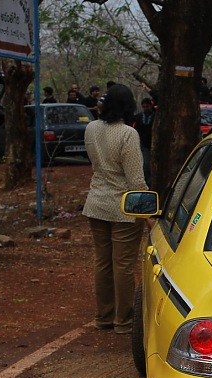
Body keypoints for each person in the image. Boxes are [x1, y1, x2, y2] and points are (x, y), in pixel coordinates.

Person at [82, 83, 149, 335]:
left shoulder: (91, 128)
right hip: (123, 208)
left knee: (103, 262)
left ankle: (104, 317)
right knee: (123, 265)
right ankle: (124, 321)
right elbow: (136, 181)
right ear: (128, 106)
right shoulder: (128, 134)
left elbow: (95, 165)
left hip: (96, 203)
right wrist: (148, 214)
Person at [133, 97, 155, 185]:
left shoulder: (156, 116)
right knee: (144, 165)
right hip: (142, 143)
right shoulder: (139, 117)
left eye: (147, 107)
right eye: (144, 107)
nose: (146, 109)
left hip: (152, 143)